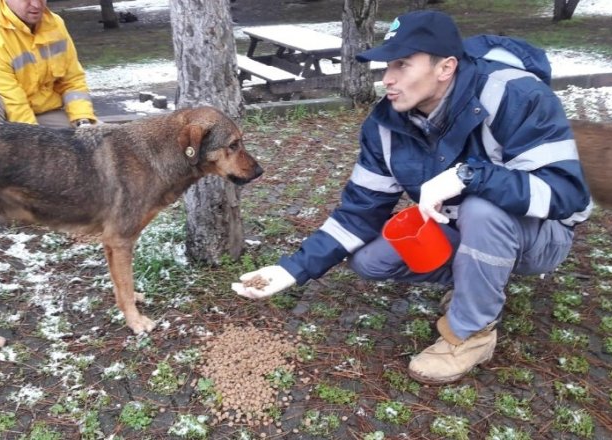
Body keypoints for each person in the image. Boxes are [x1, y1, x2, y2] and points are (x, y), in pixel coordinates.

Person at [232, 10, 592, 385]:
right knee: (369, 260)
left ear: (445, 67)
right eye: (388, 65)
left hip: (542, 235)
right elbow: (359, 213)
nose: (387, 79)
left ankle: (472, 333)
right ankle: (476, 283)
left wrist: (469, 176)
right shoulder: (385, 125)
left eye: (402, 65)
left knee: (482, 209)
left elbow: (566, 194)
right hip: (461, 227)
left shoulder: (516, 95)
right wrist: (292, 269)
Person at [0, 0, 97, 127]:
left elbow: (72, 81)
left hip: (42, 113)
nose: (36, 4)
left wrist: (82, 121)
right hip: (0, 117)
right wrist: (34, 144)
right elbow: (13, 102)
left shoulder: (55, 25)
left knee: (99, 139)